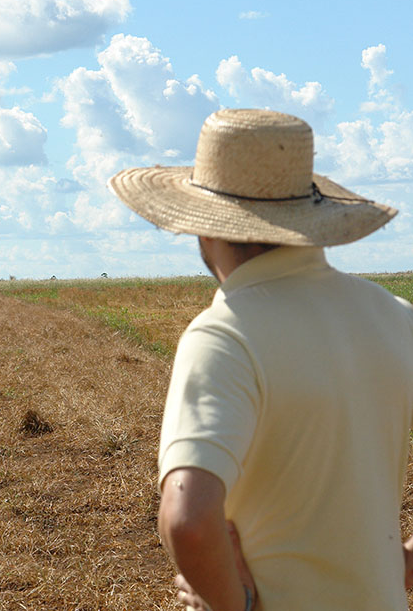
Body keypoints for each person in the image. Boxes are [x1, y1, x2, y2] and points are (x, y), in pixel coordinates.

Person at [108, 108, 413, 609]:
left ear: (203, 229)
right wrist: (396, 566)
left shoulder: (225, 334)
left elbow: (188, 520)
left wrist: (236, 605)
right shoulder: (395, 316)